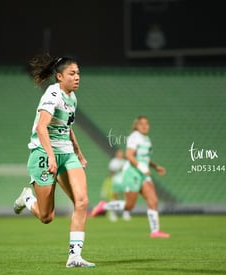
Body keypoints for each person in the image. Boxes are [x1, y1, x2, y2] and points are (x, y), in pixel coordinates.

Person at [13, 54, 95, 268]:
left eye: (78, 73)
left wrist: (78, 151)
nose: (77, 77)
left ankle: (74, 257)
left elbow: (66, 127)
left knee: (82, 201)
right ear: (59, 76)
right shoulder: (53, 93)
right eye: (72, 73)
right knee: (47, 216)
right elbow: (42, 127)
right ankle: (27, 199)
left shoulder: (72, 98)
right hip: (42, 153)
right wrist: (50, 156)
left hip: (66, 154)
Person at [90, 116, 170, 238]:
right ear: (136, 126)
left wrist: (155, 166)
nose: (144, 126)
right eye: (141, 124)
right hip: (132, 173)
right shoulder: (135, 137)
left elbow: (145, 158)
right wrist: (142, 168)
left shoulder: (146, 139)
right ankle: (104, 206)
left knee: (153, 201)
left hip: (143, 174)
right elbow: (129, 155)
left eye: (146, 124)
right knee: (129, 206)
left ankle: (155, 231)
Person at [99, 148, 129, 222]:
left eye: (121, 153)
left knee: (126, 197)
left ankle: (126, 213)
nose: (120, 155)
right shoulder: (113, 162)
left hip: (124, 181)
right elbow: (111, 171)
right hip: (116, 181)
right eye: (119, 153)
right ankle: (113, 213)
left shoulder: (126, 162)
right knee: (115, 197)